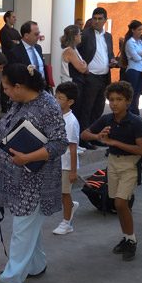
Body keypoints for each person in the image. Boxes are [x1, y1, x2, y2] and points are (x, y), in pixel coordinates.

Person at [0, 63, 66, 283]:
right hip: (16, 178)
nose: (5, 92)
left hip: (36, 180)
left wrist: (28, 157)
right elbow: (4, 129)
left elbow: (59, 143)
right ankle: (37, 265)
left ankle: (13, 282)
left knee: (21, 229)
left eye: (7, 88)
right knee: (29, 228)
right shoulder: (19, 102)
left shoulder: (48, 106)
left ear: (19, 87)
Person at [81, 82, 142, 261]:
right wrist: (97, 136)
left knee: (120, 203)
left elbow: (141, 150)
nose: (114, 103)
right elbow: (84, 134)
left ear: (128, 101)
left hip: (129, 166)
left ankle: (131, 240)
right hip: (113, 164)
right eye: (111, 100)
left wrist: (115, 143)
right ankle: (127, 237)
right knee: (119, 205)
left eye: (119, 99)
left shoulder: (135, 122)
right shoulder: (107, 119)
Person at [77, 7, 117, 150]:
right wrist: (81, 66)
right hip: (90, 77)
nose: (97, 21)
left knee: (98, 108)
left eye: (100, 19)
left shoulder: (108, 36)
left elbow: (110, 53)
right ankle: (83, 139)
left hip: (104, 76)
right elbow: (76, 51)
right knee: (86, 109)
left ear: (105, 20)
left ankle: (95, 137)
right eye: (95, 18)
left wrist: (112, 60)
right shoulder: (85, 34)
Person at [52, 82, 81, 235]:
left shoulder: (71, 122)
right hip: (56, 162)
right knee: (60, 192)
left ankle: (66, 223)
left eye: (61, 98)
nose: (56, 100)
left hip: (66, 164)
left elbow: (73, 148)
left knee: (65, 193)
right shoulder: (56, 117)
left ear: (70, 102)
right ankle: (71, 206)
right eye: (56, 97)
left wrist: (73, 171)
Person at [123, 20, 142, 116]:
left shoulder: (140, 41)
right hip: (133, 70)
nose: (141, 31)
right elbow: (136, 57)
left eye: (141, 29)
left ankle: (135, 113)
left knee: (138, 93)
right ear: (133, 30)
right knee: (132, 92)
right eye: (139, 29)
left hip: (140, 70)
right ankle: (129, 113)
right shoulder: (130, 42)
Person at [0, 11, 21, 113]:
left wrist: (16, 42)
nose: (15, 19)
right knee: (6, 83)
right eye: (13, 17)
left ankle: (14, 103)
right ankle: (4, 106)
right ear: (7, 18)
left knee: (15, 83)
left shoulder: (15, 31)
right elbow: (10, 45)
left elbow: (20, 44)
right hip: (7, 61)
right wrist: (15, 42)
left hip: (16, 62)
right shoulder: (3, 31)